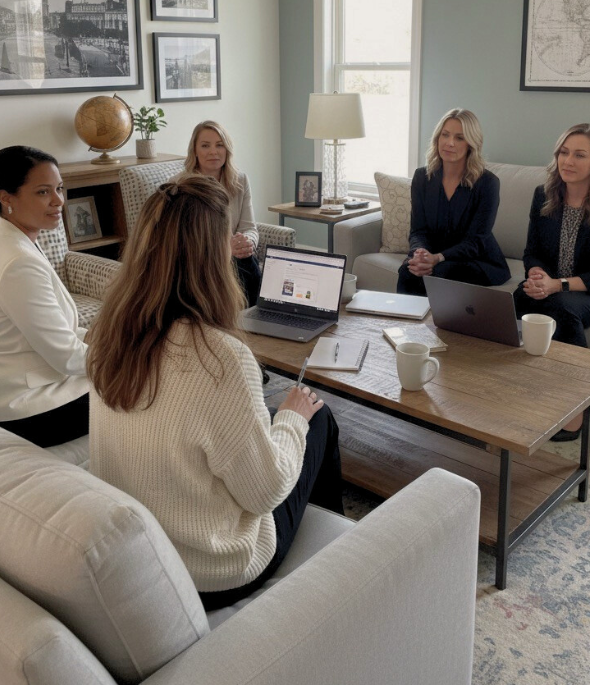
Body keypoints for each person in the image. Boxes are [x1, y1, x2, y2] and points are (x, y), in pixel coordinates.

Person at [88, 175, 344, 610]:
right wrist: (292, 419)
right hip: (215, 570)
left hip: (147, 557)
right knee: (317, 415)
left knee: (267, 413)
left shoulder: (108, 335)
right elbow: (264, 493)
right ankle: (342, 554)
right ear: (211, 256)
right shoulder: (220, 357)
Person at [514, 123, 590, 440]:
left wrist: (557, 285)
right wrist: (537, 274)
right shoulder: (544, 194)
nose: (568, 161)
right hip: (557, 282)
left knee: (563, 310)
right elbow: (532, 252)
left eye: (579, 155)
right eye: (564, 152)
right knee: (520, 298)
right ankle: (520, 393)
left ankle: (574, 414)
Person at [0, 145, 89, 445]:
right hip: (32, 408)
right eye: (42, 192)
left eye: (60, 188)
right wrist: (128, 358)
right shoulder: (18, 261)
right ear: (5, 197)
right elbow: (68, 358)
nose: (58, 201)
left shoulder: (15, 240)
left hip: (32, 387)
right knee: (158, 382)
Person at [397, 108, 510, 295]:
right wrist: (421, 253)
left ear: (471, 144)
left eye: (459, 138)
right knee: (408, 271)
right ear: (437, 139)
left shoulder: (488, 183)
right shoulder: (422, 178)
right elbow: (418, 230)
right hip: (433, 254)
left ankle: (437, 325)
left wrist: (438, 258)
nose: (450, 143)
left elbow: (476, 241)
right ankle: (404, 324)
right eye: (445, 135)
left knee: (439, 272)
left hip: (477, 260)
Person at [185, 120, 261, 306]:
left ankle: (256, 319)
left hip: (235, 257)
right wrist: (225, 248)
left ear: (227, 150)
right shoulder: (182, 185)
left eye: (220, 145)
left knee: (246, 259)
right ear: (195, 150)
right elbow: (182, 240)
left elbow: (250, 228)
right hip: (198, 260)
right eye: (205, 145)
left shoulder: (240, 181)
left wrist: (246, 242)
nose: (213, 151)